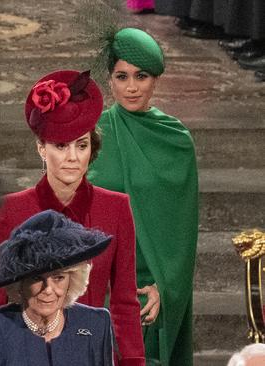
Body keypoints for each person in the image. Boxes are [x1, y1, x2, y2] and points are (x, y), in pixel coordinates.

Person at [0, 69, 145, 365]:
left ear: (92, 149)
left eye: (81, 145)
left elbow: (124, 303)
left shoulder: (116, 208)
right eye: (60, 145)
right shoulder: (12, 211)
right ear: (41, 148)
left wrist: (133, 362)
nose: (72, 157)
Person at [88, 28, 199, 366]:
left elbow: (182, 234)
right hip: (95, 281)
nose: (132, 87)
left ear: (156, 81)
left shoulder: (177, 140)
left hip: (148, 287)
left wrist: (162, 287)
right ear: (110, 81)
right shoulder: (92, 135)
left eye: (141, 76)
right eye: (122, 76)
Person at [0, 210, 114, 366]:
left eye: (59, 278)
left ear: (73, 280)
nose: (48, 289)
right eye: (36, 278)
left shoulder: (95, 323)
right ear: (19, 284)